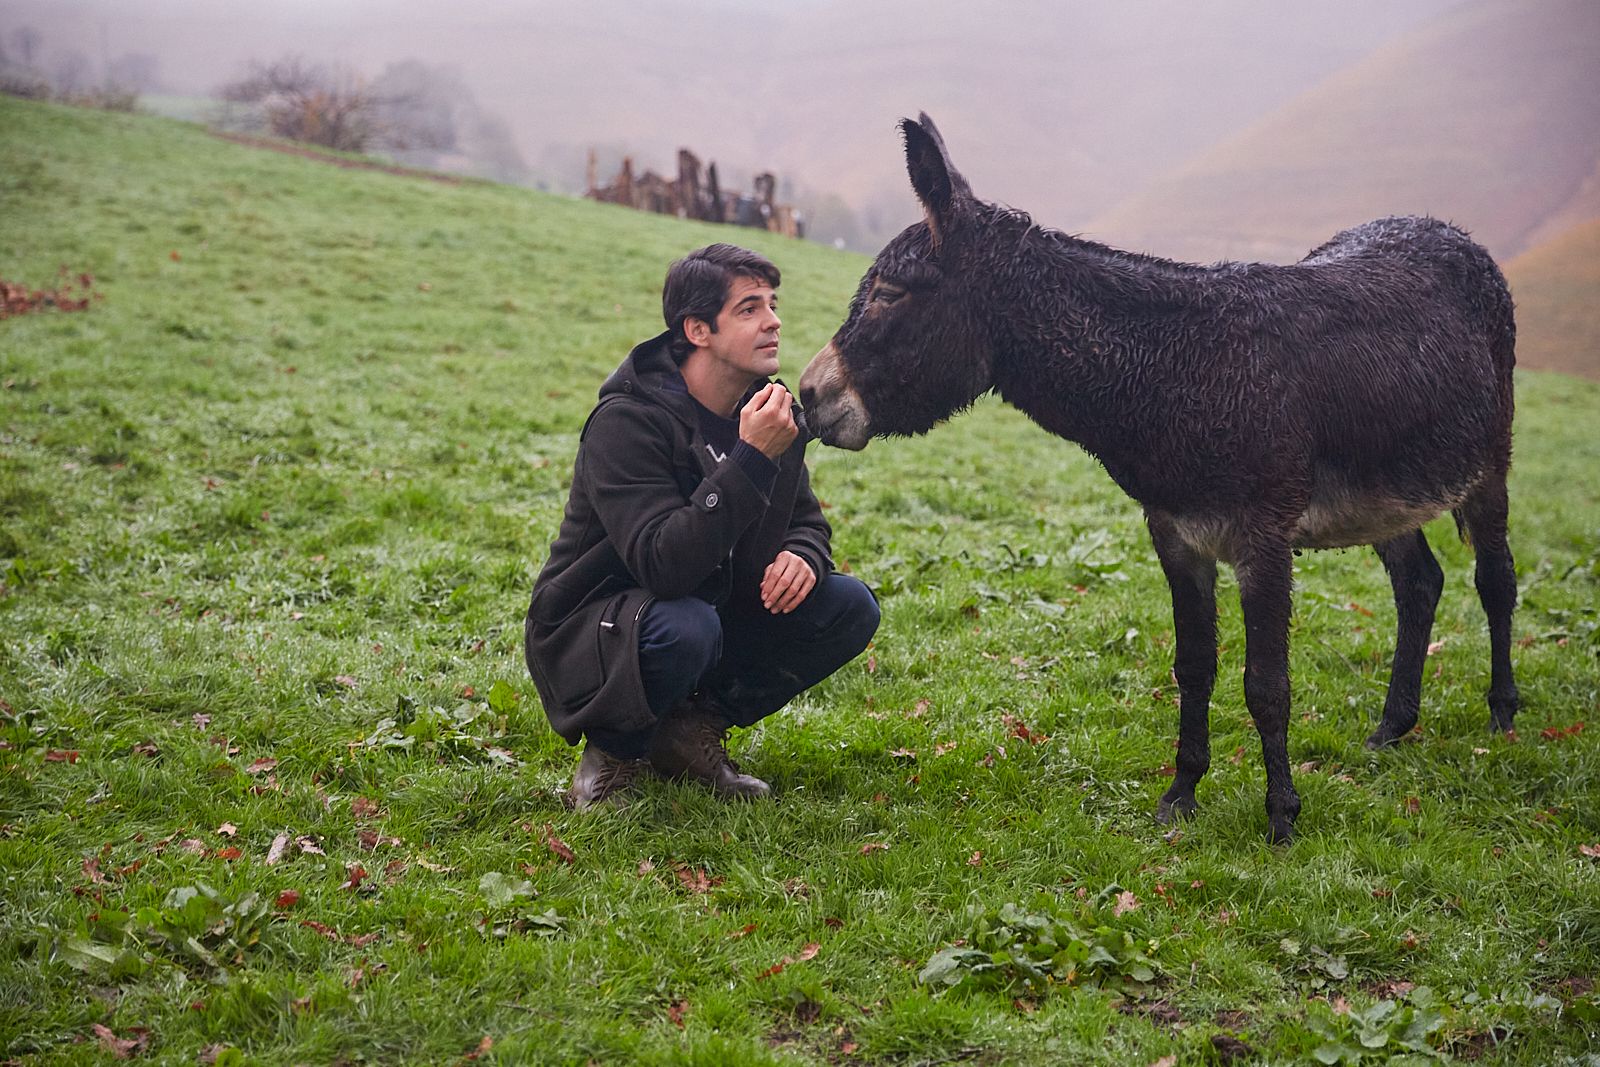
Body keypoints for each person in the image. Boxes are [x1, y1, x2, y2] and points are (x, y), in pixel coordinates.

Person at [524, 243, 880, 809]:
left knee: (849, 605)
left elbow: (806, 521)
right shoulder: (627, 422)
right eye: (749, 309)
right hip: (597, 631)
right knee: (686, 627)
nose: (773, 321)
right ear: (697, 330)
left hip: (707, 608)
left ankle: (687, 733)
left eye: (772, 304)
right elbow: (664, 566)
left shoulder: (767, 410)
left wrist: (803, 555)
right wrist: (750, 458)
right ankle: (612, 754)